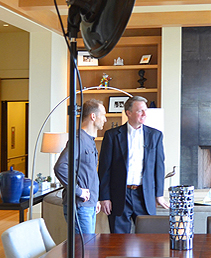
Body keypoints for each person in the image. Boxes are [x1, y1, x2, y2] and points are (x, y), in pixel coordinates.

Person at [98, 96, 168, 233]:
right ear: (128, 113)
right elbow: (104, 168)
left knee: (148, 239)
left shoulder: (155, 135)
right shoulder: (112, 135)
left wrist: (159, 194)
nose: (144, 114)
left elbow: (159, 167)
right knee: (119, 240)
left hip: (145, 195)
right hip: (119, 195)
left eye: (145, 111)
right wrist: (104, 197)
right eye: (140, 111)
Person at [53, 98, 106, 234]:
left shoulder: (89, 140)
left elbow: (89, 174)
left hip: (88, 205)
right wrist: (78, 191)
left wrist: (95, 200)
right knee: (84, 246)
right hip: (80, 206)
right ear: (93, 116)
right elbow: (60, 167)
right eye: (103, 115)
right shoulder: (78, 139)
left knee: (88, 245)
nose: (105, 119)